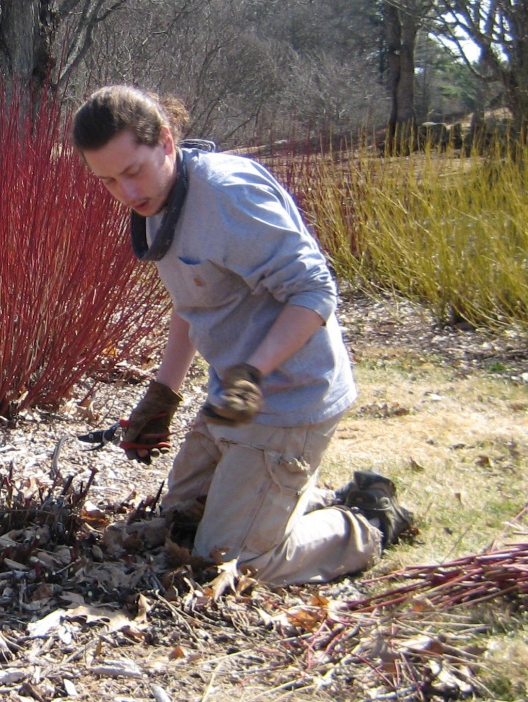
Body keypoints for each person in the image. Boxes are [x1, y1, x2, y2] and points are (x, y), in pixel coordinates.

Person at [72, 86, 413, 585]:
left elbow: (315, 291)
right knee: (181, 518)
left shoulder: (228, 196)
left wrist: (255, 372)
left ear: (166, 142)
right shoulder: (160, 200)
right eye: (108, 181)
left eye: (132, 171)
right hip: (235, 397)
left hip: (291, 394)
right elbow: (195, 300)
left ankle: (368, 520)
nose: (126, 192)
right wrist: (163, 394)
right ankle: (288, 497)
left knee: (233, 559)